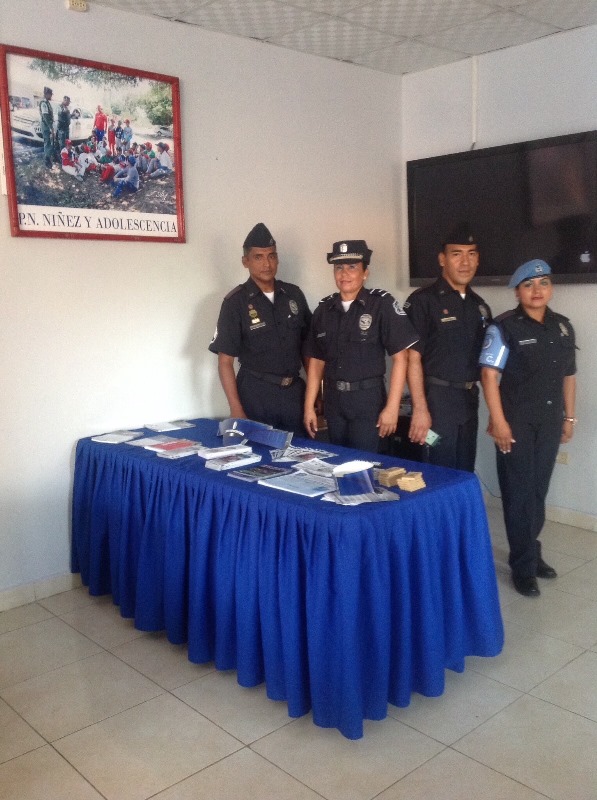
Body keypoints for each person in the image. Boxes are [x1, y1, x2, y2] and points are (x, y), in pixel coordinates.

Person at [479, 259, 577, 597]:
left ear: (551, 288)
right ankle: (523, 566)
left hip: (549, 422)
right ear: (517, 291)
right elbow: (489, 376)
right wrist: (499, 421)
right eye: (528, 285)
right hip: (515, 423)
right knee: (518, 494)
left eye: (543, 283)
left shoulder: (562, 327)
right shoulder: (504, 327)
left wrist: (569, 418)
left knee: (537, 492)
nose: (537, 290)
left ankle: (531, 552)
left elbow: (569, 376)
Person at [303, 240, 418, 453]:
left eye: (352, 267)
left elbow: (401, 358)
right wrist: (309, 406)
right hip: (334, 402)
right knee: (337, 460)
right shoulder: (324, 310)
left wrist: (392, 408)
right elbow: (317, 362)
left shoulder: (381, 304)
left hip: (368, 401)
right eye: (339, 267)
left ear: (365, 273)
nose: (344, 274)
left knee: (366, 464)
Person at [208, 223, 311, 436]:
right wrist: (236, 408)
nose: (267, 264)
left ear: (277, 259)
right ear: (245, 261)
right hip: (256, 395)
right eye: (258, 257)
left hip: (294, 395)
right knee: (258, 453)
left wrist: (314, 394)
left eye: (271, 256)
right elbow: (225, 362)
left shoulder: (293, 295)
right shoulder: (235, 302)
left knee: (300, 451)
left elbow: (308, 349)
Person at [404, 224, 491, 471]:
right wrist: (420, 409)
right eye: (456, 254)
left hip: (468, 401)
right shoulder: (423, 301)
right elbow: (412, 359)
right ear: (442, 259)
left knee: (464, 470)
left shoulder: (479, 306)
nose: (465, 262)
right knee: (437, 469)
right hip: (436, 404)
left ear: (478, 259)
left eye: (471, 254)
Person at [39, 86, 54, 169]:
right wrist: (50, 127)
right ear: (46, 94)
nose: (51, 96)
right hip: (46, 126)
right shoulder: (44, 103)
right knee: (47, 143)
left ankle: (48, 158)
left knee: (49, 142)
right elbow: (45, 117)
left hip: (48, 126)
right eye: (50, 94)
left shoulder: (47, 103)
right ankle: (47, 161)